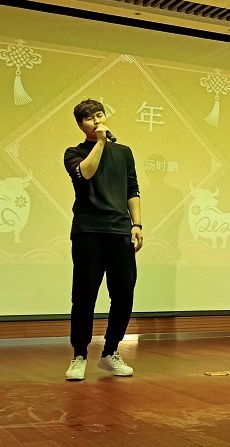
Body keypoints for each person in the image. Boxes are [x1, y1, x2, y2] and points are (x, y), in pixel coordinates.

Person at [63, 99, 143, 381]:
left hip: (120, 230)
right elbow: (86, 173)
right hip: (88, 231)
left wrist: (137, 224)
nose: (96, 121)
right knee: (84, 295)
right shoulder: (74, 153)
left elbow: (132, 188)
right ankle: (79, 355)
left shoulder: (124, 152)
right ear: (80, 125)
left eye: (99, 115)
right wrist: (99, 142)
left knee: (124, 292)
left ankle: (110, 352)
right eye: (89, 118)